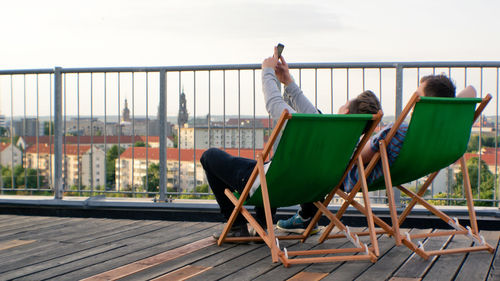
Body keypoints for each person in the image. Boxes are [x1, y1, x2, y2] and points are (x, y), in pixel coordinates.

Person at [202, 47, 382, 238]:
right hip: (307, 192)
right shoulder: (348, 144)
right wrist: (287, 81)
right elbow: (313, 115)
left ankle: (237, 226)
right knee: (269, 168)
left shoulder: (318, 131)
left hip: (271, 188)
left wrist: (267, 71)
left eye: (346, 102)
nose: (343, 104)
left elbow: (274, 102)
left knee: (210, 156)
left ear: (346, 112)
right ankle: (262, 225)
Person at [277, 73, 462, 234]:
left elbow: (355, 157)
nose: (414, 100)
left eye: (418, 95)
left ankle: (305, 214)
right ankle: (307, 214)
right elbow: (470, 90)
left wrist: (337, 135)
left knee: (308, 142)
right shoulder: (439, 133)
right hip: (395, 171)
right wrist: (445, 109)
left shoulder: (398, 131)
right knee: (316, 120)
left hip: (343, 171)